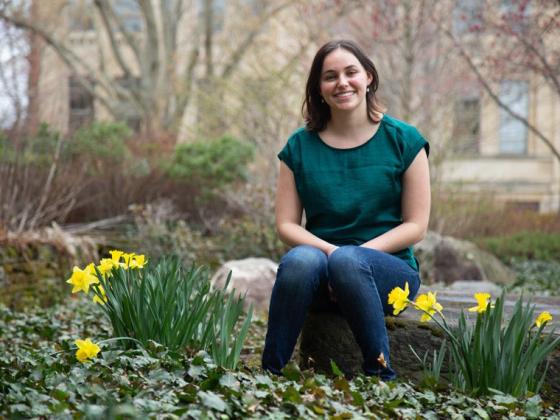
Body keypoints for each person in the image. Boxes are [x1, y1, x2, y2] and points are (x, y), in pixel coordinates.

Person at [261, 39, 431, 381]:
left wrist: (350, 259)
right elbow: (286, 225)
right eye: (330, 76)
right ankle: (270, 372)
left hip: (390, 276)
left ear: (368, 77)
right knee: (298, 261)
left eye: (351, 72)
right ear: (318, 89)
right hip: (321, 274)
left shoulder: (404, 140)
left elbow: (416, 226)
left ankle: (380, 374)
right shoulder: (298, 147)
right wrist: (334, 255)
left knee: (347, 262)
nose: (342, 82)